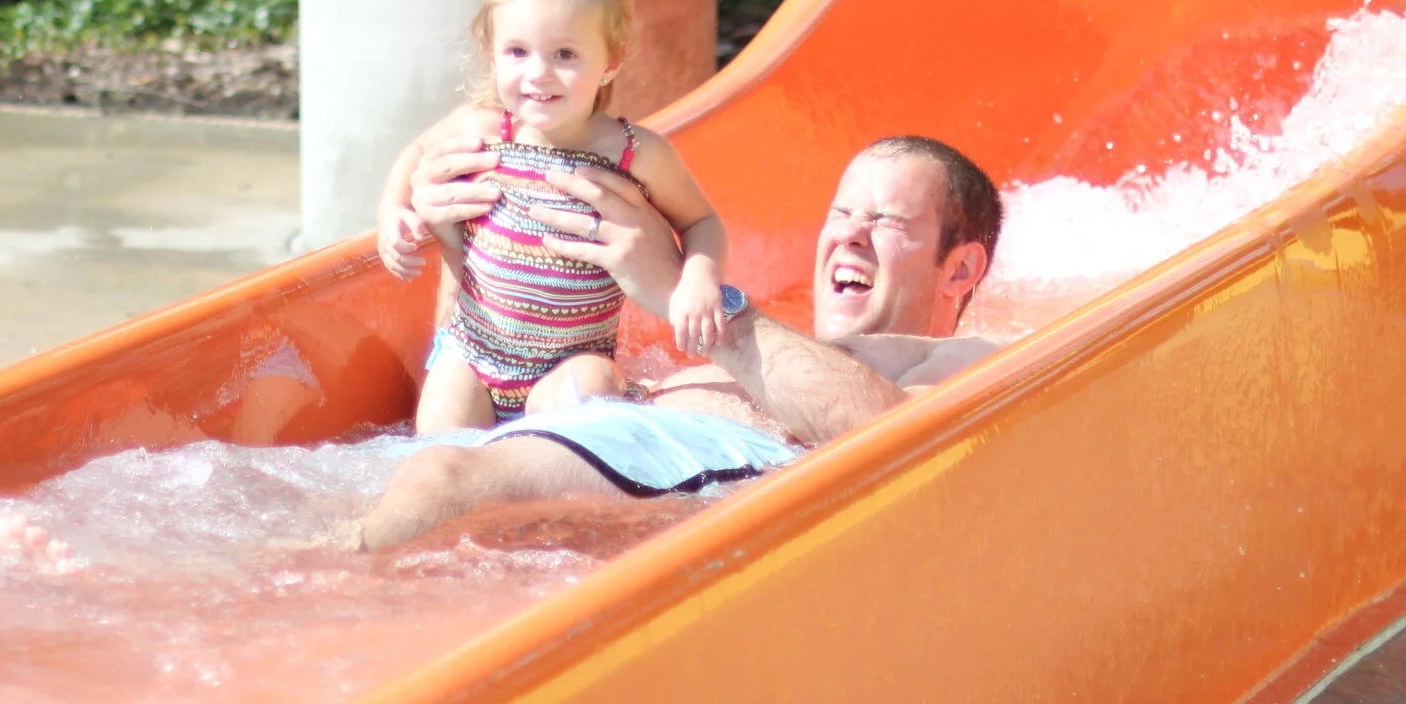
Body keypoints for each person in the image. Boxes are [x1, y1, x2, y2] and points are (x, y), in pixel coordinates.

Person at [354, 134, 1003, 550]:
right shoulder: (774, 352)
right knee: (434, 471)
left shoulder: (959, 359)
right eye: (841, 212)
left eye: (886, 220)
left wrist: (677, 290)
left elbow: (909, 441)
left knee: (443, 480)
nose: (851, 233)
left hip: (715, 479)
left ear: (961, 269)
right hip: (611, 473)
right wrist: (462, 241)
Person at [374, 0, 730, 434]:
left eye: (564, 54)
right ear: (492, 55)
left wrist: (698, 278)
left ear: (610, 61)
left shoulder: (633, 154)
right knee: (439, 450)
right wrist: (393, 212)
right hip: (474, 355)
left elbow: (702, 221)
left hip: (571, 364)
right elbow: (415, 153)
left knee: (587, 397)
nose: (538, 73)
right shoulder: (483, 128)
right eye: (517, 52)